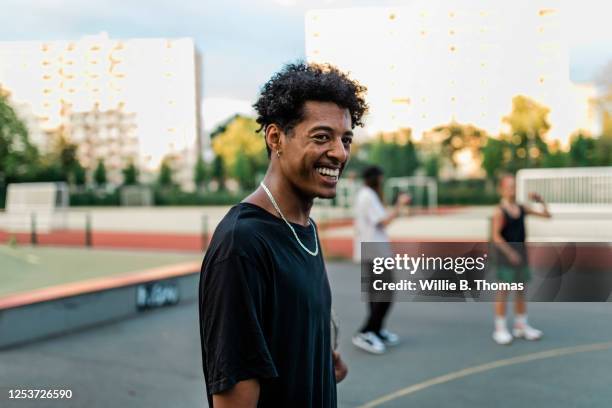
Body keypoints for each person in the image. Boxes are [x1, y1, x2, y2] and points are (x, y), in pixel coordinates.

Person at [198, 62, 367, 407]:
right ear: (275, 138)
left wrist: (316, 360)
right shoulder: (242, 244)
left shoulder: (304, 228)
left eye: (345, 139)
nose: (339, 152)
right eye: (322, 137)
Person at [352, 165, 411, 354]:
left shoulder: (367, 194)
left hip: (374, 249)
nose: (383, 181)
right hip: (374, 251)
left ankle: (376, 330)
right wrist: (400, 204)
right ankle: (365, 332)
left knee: (376, 294)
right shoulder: (368, 195)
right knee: (386, 294)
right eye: (381, 178)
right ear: (375, 178)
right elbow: (384, 221)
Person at [491, 174, 551, 345]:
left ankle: (521, 326)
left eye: (514, 186)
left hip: (521, 254)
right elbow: (496, 237)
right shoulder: (499, 211)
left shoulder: (522, 208)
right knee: (503, 292)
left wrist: (541, 201)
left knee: (520, 291)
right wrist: (510, 253)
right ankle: (500, 329)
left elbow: (547, 216)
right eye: (509, 186)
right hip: (506, 257)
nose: (512, 189)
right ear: (502, 189)